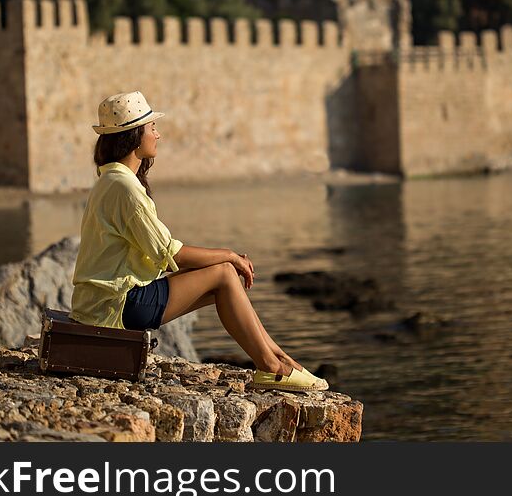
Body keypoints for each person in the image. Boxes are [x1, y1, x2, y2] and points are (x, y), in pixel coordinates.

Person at [70, 91, 328, 393]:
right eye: (152, 128)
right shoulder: (124, 188)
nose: (158, 134)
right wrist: (230, 255)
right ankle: (273, 367)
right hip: (117, 307)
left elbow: (160, 254)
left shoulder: (111, 180)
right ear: (135, 137)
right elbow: (169, 252)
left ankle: (278, 359)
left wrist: (228, 262)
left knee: (226, 278)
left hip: (106, 303)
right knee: (222, 272)